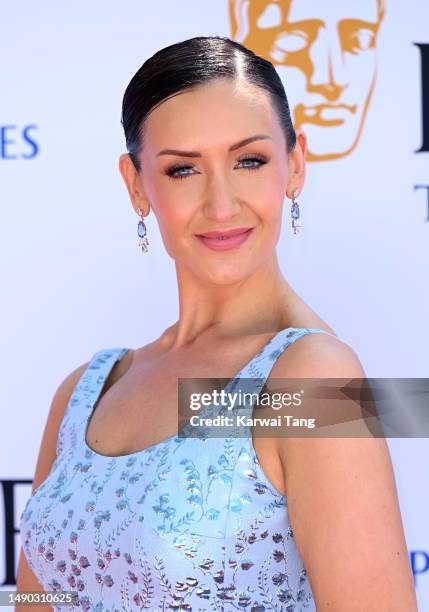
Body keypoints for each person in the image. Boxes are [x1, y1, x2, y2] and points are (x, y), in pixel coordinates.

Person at [17, 35, 417, 611]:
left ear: (295, 164)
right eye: (183, 170)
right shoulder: (85, 390)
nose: (222, 205)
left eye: (249, 160)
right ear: (136, 185)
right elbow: (39, 599)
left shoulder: (311, 381)